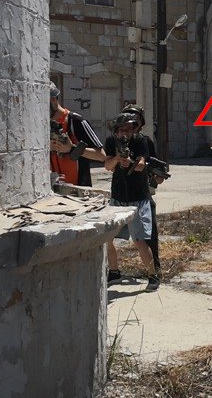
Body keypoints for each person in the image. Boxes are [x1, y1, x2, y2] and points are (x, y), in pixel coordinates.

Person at [104, 112, 160, 292]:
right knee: (108, 238)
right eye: (121, 130)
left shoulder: (141, 141)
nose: (125, 133)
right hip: (118, 196)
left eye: (128, 129)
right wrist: (116, 159)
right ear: (116, 131)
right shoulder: (111, 141)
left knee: (139, 240)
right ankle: (114, 272)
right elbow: (107, 166)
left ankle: (153, 276)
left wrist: (130, 163)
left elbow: (142, 164)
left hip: (138, 197)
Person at [121, 103, 164, 276]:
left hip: (142, 192)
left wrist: (156, 174)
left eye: (135, 119)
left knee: (149, 233)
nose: (132, 122)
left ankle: (155, 271)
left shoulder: (145, 141)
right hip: (122, 192)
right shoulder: (117, 140)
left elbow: (155, 167)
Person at [50, 85, 105, 187]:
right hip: (53, 189)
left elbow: (101, 156)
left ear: (53, 99)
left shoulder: (75, 121)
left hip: (78, 189)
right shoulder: (42, 125)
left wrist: (72, 149)